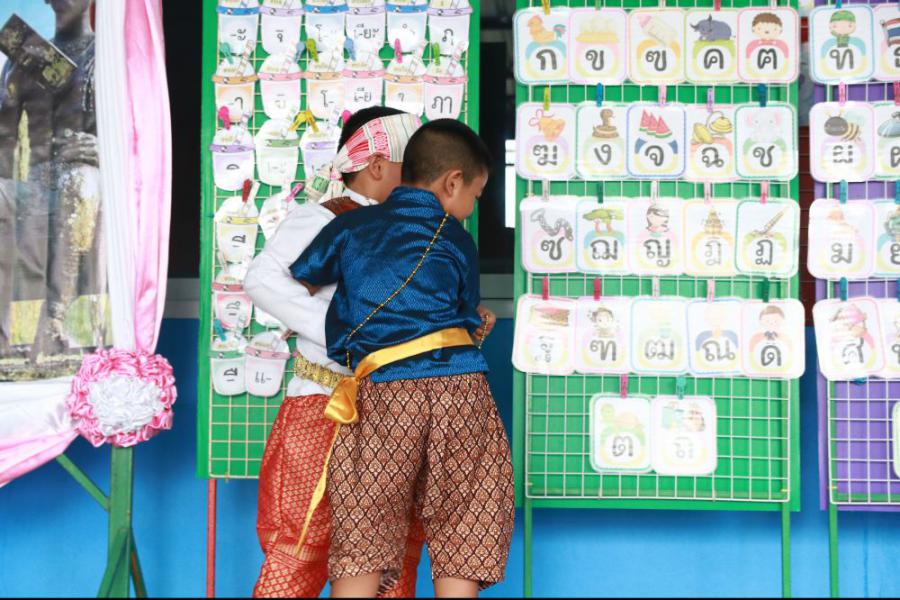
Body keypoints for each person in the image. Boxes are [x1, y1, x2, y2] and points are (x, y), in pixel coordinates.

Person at [290, 119, 513, 598]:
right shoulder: (456, 239)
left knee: (365, 518)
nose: (472, 208)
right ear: (452, 182)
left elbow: (304, 278)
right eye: (475, 196)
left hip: (384, 392)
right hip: (461, 391)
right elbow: (463, 314)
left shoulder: (349, 227)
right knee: (465, 511)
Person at [244, 106, 426, 598]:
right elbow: (261, 279)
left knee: (390, 557)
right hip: (324, 405)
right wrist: (340, 331)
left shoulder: (418, 229)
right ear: (377, 166)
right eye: (412, 168)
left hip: (396, 411)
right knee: (301, 544)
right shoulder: (322, 218)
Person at [0, 0, 103, 375]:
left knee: (79, 179)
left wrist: (106, 150)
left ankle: (54, 320)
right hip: (37, 183)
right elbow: (5, 134)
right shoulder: (26, 55)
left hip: (88, 177)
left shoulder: (107, 56)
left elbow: (140, 124)